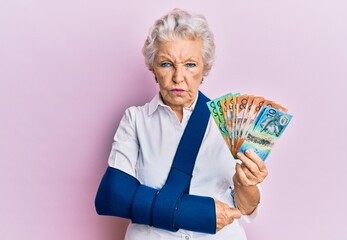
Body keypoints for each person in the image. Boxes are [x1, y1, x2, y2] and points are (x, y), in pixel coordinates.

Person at [95, 8, 268, 240]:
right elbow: (113, 196)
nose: (178, 77)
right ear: (153, 69)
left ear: (205, 70)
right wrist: (197, 214)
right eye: (166, 64)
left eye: (190, 65)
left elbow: (245, 208)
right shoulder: (135, 120)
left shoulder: (231, 123)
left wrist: (245, 184)